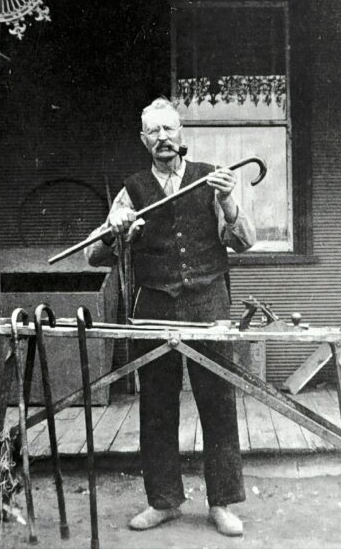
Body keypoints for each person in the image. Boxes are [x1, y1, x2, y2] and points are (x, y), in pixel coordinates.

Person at [86, 97, 255, 537]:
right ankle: (163, 502)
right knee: (157, 405)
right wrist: (117, 231)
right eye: (154, 131)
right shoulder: (132, 191)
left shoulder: (211, 180)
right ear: (144, 140)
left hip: (208, 304)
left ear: (182, 133)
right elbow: (92, 255)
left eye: (169, 129)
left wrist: (229, 201)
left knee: (217, 402)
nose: (163, 137)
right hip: (154, 306)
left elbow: (244, 241)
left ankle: (221, 503)